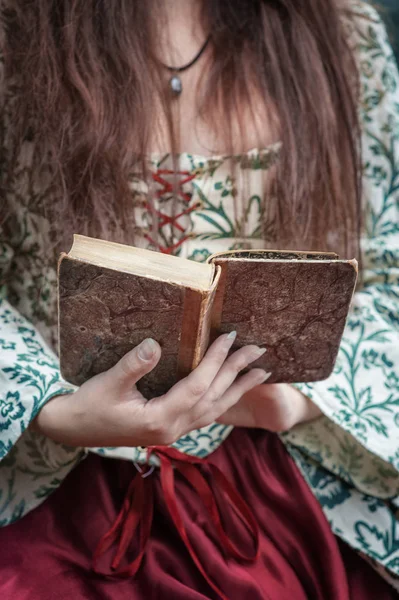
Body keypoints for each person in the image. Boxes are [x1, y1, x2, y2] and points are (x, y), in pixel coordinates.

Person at [0, 0, 398, 598]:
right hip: (56, 479)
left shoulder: (344, 28)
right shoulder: (16, 29)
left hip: (283, 475)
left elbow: (389, 270)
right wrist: (51, 410)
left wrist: (301, 400)